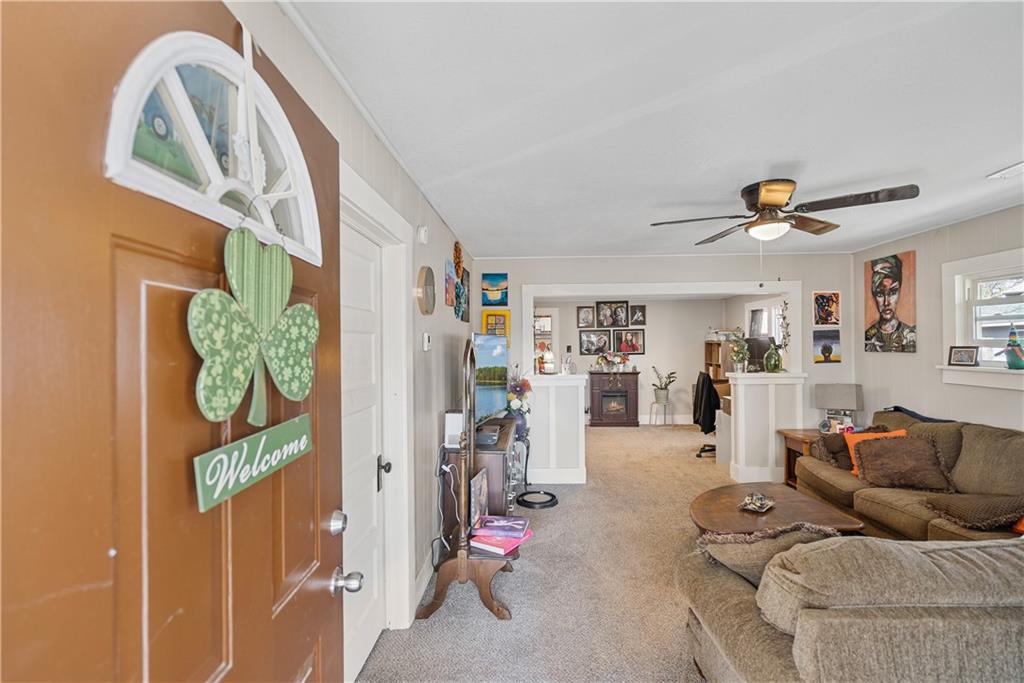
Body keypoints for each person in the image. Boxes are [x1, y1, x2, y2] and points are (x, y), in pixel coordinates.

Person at [865, 254, 916, 352]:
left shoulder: (911, 335)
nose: (886, 302)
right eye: (880, 294)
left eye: (892, 292)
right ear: (874, 295)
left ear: (899, 291)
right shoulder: (867, 336)